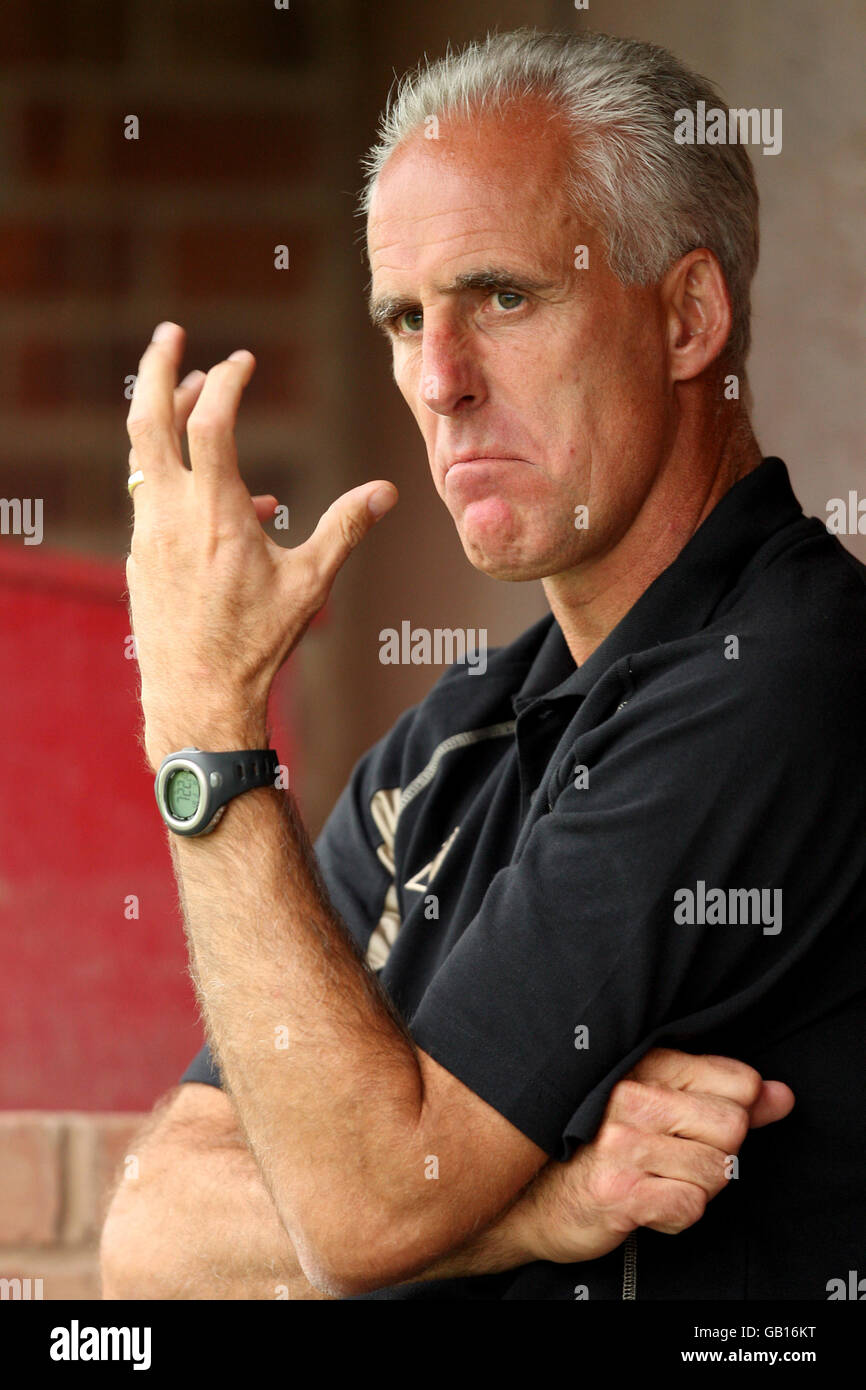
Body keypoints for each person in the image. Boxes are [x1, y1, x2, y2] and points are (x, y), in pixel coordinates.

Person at [101, 30, 865, 1301]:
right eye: (406, 317)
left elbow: (354, 1213)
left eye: (503, 296)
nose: (439, 379)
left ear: (686, 317)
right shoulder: (455, 736)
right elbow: (152, 1245)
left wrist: (205, 719)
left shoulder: (776, 677)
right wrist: (533, 1212)